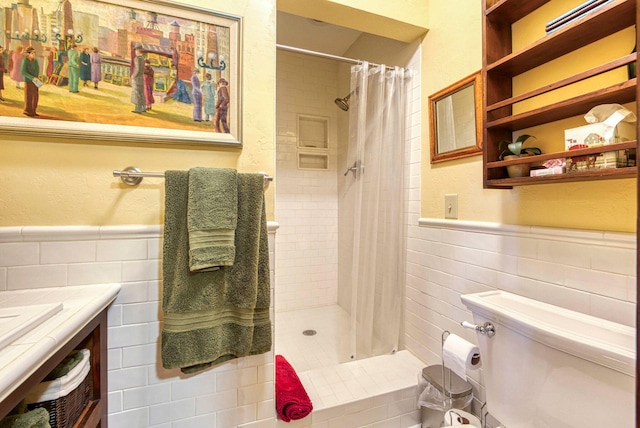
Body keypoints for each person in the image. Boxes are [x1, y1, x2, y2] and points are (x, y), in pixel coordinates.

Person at [20, 46, 40, 117]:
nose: (34, 54)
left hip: (36, 81)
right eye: (32, 53)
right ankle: (28, 111)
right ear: (28, 54)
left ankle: (33, 111)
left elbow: (37, 69)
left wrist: (37, 77)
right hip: (28, 80)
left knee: (35, 95)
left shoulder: (35, 60)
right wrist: (32, 77)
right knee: (29, 96)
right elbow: (23, 71)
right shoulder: (25, 60)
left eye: (34, 53)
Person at [130, 46, 146, 114]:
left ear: (139, 51)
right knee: (141, 93)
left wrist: (133, 76)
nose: (135, 52)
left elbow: (137, 69)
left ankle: (138, 109)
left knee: (136, 93)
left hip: (137, 78)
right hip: (141, 78)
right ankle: (143, 108)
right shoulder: (143, 58)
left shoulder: (137, 58)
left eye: (136, 50)